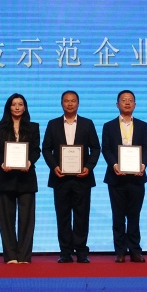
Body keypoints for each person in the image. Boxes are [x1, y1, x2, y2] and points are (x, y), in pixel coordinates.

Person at [42, 90, 101, 263]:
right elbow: (46, 149)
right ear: (61, 103)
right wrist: (54, 166)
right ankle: (65, 252)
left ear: (78, 103)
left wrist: (88, 167)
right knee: (63, 216)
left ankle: (81, 252)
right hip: (60, 178)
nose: (69, 104)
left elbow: (95, 148)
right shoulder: (53, 124)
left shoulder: (87, 124)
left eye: (73, 101)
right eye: (66, 101)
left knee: (82, 215)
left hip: (82, 178)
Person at [101, 90, 147, 263]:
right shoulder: (109, 126)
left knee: (134, 215)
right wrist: (115, 165)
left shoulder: (142, 125)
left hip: (137, 177)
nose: (127, 103)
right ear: (117, 104)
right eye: (124, 100)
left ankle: (135, 250)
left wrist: (142, 165)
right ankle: (120, 251)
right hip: (116, 178)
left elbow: (146, 148)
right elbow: (106, 149)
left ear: (135, 105)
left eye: (130, 100)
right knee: (118, 216)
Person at [0, 94, 41, 264]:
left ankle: (24, 256)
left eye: (20, 104)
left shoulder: (33, 127)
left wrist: (30, 161)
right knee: (6, 219)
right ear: (9, 107)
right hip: (5, 176)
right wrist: (2, 162)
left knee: (27, 219)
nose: (17, 107)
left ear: (25, 107)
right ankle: (11, 256)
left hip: (27, 177)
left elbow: (36, 150)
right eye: (14, 104)